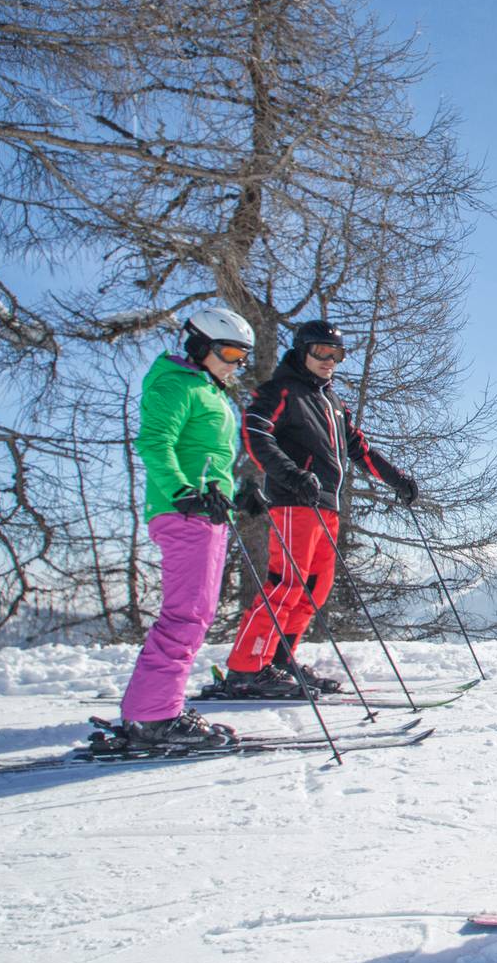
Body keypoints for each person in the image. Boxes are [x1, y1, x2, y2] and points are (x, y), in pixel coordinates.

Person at [217, 319, 417, 698]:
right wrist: (292, 475)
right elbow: (255, 434)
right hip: (295, 501)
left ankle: (278, 660)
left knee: (314, 589)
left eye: (336, 354)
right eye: (320, 352)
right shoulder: (281, 391)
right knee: (286, 584)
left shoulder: (332, 402)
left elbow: (359, 449)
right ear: (301, 351)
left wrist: (397, 479)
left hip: (326, 504)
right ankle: (245, 668)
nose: (329, 360)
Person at [116, 307, 254, 748]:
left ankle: (155, 708)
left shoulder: (207, 389)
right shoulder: (177, 384)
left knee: (197, 613)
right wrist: (182, 491)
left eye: (243, 356)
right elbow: (155, 443)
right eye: (230, 352)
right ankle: (153, 717)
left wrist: (235, 493)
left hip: (206, 513)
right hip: (184, 513)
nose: (237, 364)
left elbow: (207, 457)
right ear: (199, 345)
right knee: (187, 614)